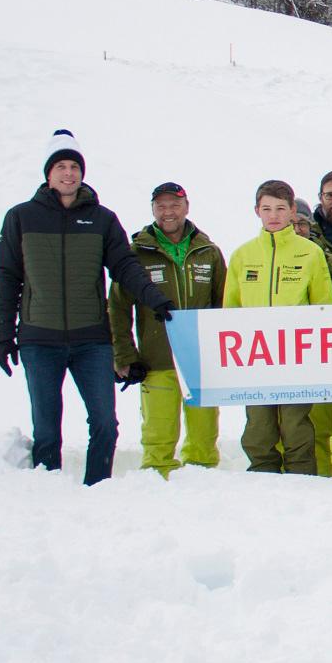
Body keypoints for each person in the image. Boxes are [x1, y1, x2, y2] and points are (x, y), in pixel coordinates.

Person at [110, 181, 226, 475]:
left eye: (174, 205)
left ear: (187, 207)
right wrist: (124, 355)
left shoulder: (208, 252)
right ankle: (156, 486)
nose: (168, 212)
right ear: (152, 209)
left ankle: (203, 483)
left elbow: (224, 305)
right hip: (156, 360)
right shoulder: (136, 253)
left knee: (203, 437)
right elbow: (118, 308)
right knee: (158, 436)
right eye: (161, 206)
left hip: (200, 362)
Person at [222, 179, 332, 474]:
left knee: (296, 424)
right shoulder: (242, 255)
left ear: (291, 213)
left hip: (297, 356)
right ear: (257, 211)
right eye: (267, 208)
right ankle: (262, 476)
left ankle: (302, 478)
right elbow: (230, 310)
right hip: (256, 357)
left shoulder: (310, 253)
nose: (273, 215)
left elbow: (324, 307)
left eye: (280, 209)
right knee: (259, 427)